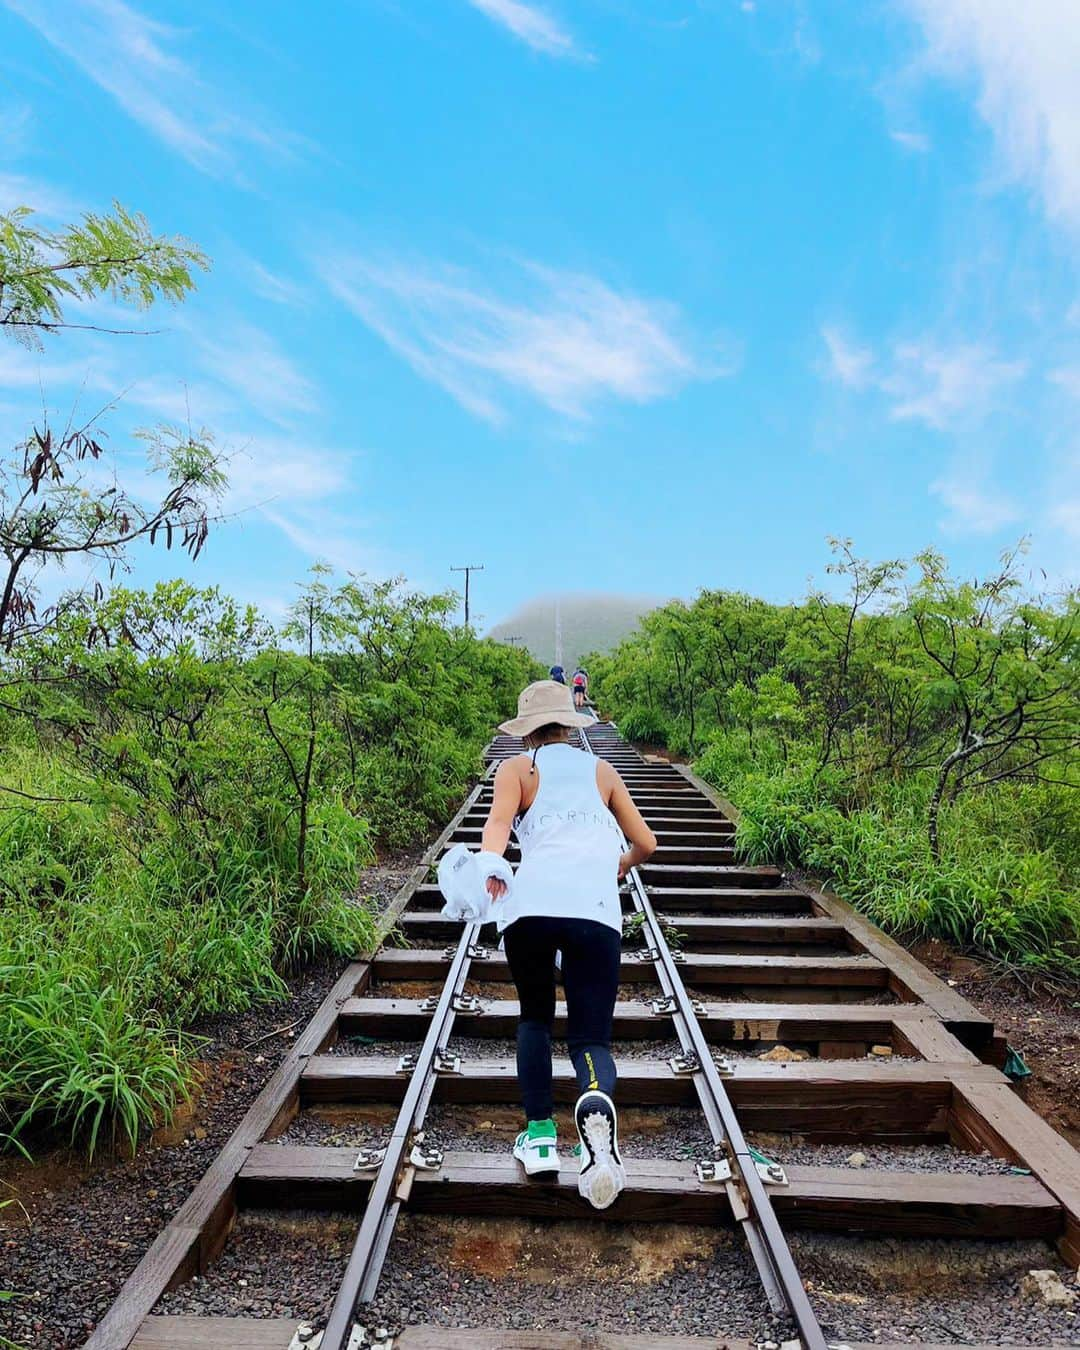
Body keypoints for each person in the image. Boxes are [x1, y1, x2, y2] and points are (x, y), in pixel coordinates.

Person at [481, 680, 657, 1209]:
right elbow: (646, 842)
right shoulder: (602, 771)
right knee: (589, 1035)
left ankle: (539, 1139)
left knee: (534, 1017)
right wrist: (616, 867)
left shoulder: (517, 769)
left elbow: (497, 825)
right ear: (568, 723)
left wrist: (492, 868)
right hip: (595, 911)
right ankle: (595, 1095)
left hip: (530, 908)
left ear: (527, 731)